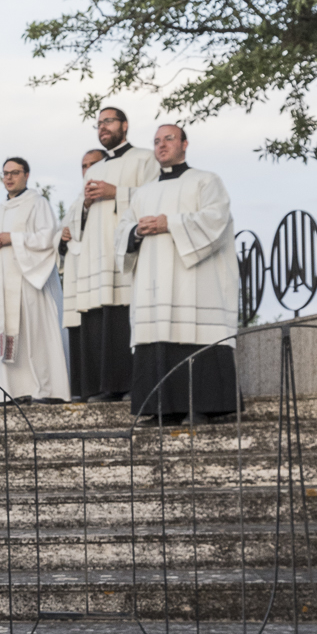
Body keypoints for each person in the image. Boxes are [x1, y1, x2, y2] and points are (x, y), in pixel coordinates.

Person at [117, 124, 239, 421]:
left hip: (195, 281)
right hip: (153, 282)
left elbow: (216, 219)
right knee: (156, 338)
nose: (161, 145)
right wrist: (136, 231)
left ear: (185, 144)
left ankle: (203, 408)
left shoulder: (206, 181)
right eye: (157, 141)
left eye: (169, 139)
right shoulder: (143, 193)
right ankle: (161, 411)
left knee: (194, 333)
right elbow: (122, 230)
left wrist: (169, 223)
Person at [58, 106, 159, 400]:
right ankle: (105, 387)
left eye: (109, 121)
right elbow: (76, 216)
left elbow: (156, 197)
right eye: (99, 123)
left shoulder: (145, 159)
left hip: (126, 254)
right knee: (100, 321)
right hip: (95, 256)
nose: (103, 127)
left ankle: (131, 385)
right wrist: (85, 206)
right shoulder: (95, 170)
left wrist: (117, 193)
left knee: (123, 317)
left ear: (124, 125)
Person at [0, 157, 70, 403]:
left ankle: (44, 390)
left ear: (26, 175)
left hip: (28, 282)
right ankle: (9, 391)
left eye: (14, 173)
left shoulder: (38, 203)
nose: (9, 178)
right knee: (5, 333)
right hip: (2, 285)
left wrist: (13, 238)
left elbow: (48, 237)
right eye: (5, 173)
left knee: (34, 335)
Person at [60, 150, 106, 398]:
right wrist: (62, 238)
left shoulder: (109, 197)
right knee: (79, 330)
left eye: (93, 164)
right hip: (76, 275)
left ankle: (102, 387)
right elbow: (63, 237)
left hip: (100, 274)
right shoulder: (76, 202)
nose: (88, 170)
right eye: (84, 165)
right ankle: (82, 388)